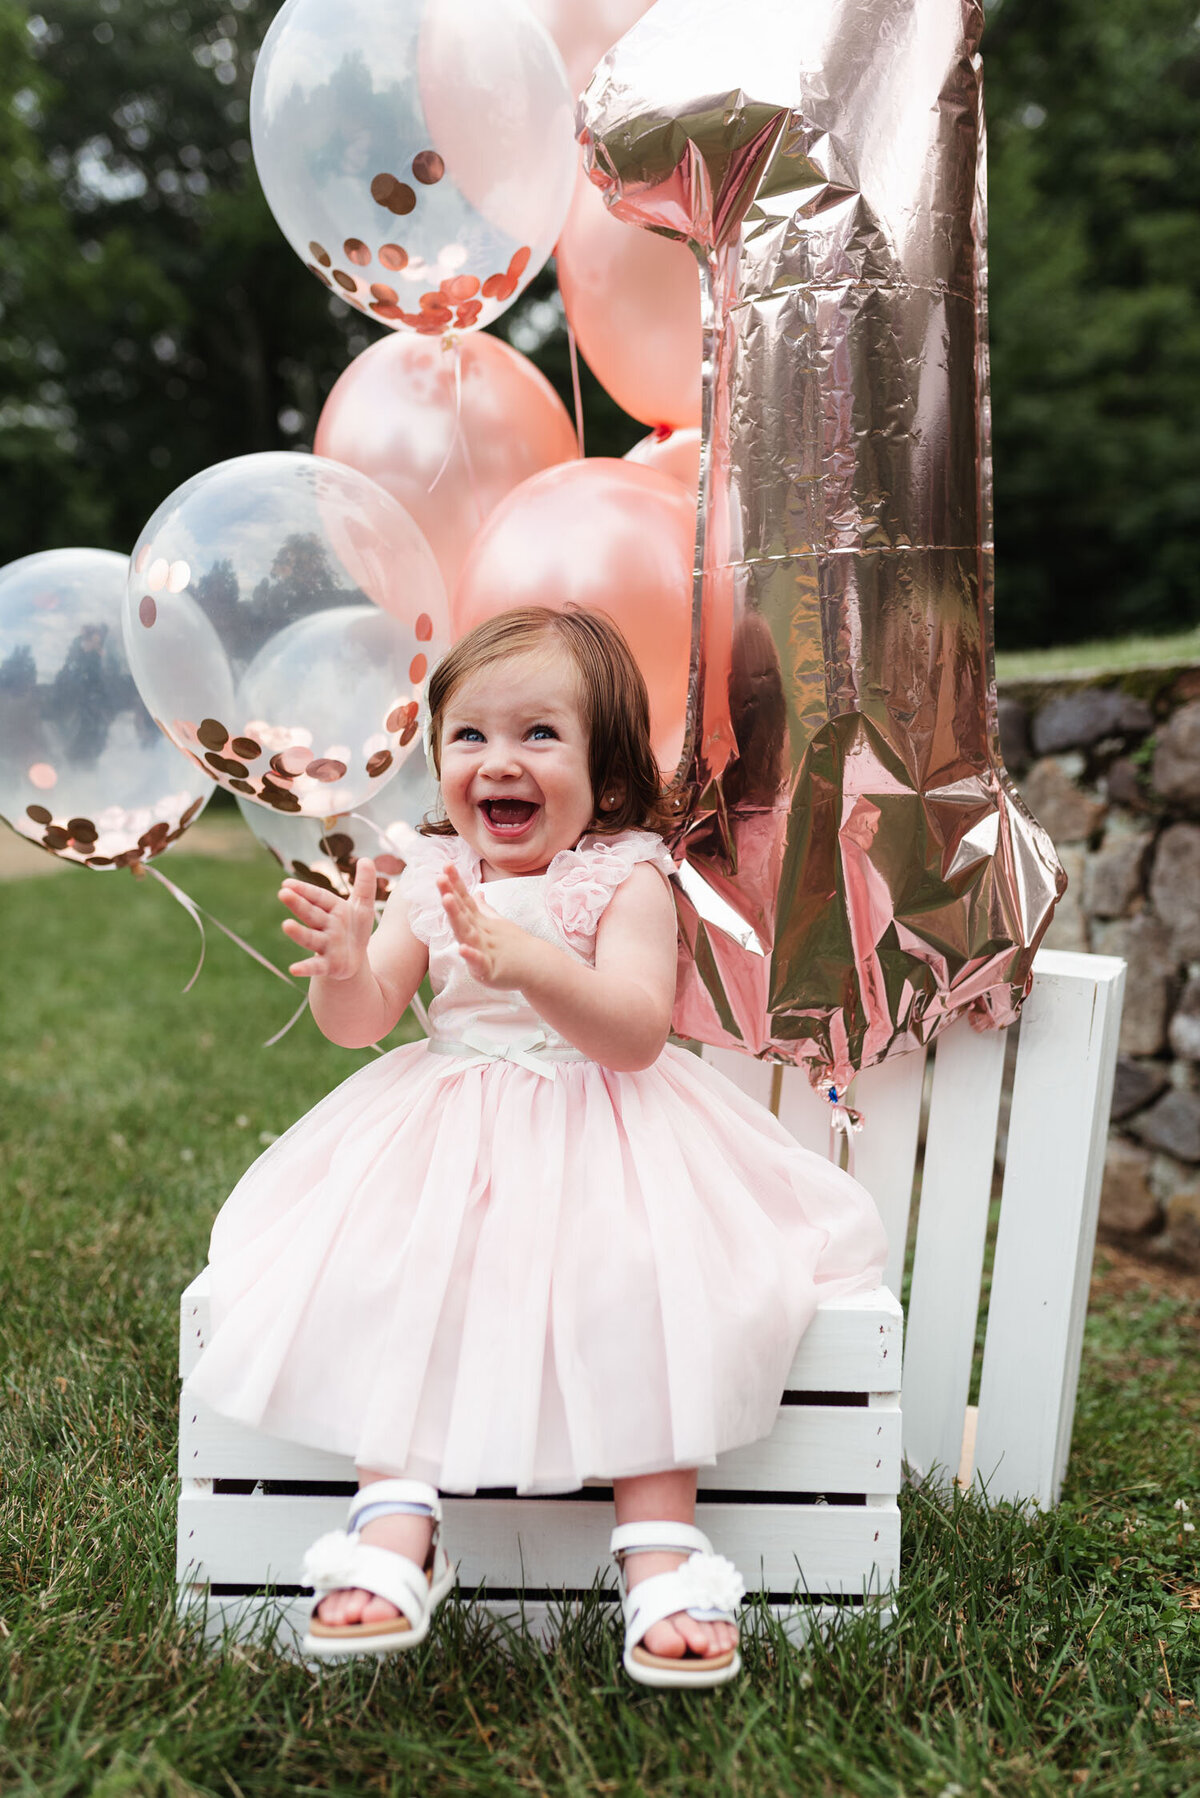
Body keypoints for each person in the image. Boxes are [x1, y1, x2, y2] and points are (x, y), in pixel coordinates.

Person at [183, 605, 887, 1688]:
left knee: (645, 1281)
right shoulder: (430, 875)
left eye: (537, 735)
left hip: (608, 1125)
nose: (497, 761)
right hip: (446, 1135)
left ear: (606, 781)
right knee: (403, 1268)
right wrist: (340, 969)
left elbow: (637, 1030)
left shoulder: (623, 878)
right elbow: (370, 1016)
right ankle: (397, 1524)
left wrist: (531, 962)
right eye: (468, 736)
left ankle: (658, 1550)